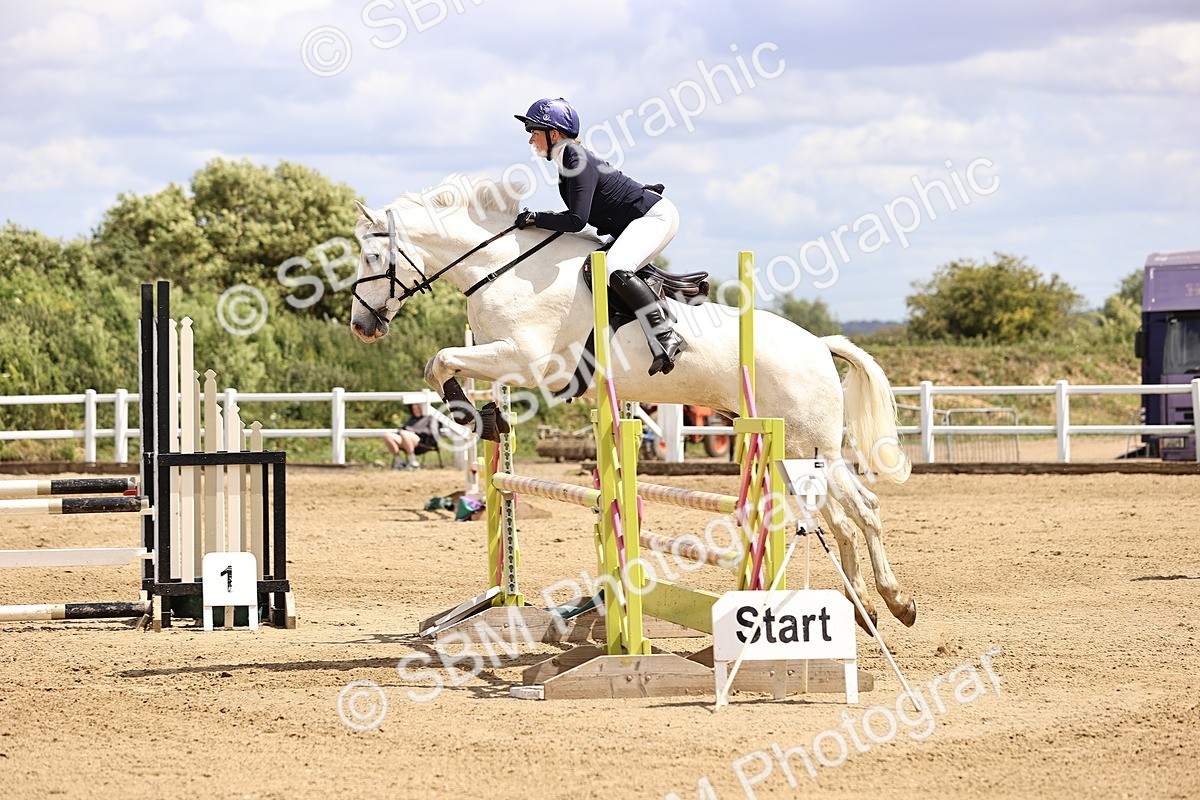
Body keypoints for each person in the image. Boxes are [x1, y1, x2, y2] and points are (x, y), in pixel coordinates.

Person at [513, 97, 687, 375]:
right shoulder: (567, 160)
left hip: (654, 218)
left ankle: (665, 334)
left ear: (553, 134)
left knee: (613, 267)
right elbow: (578, 215)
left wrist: (538, 218)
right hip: (636, 221)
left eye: (534, 132)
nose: (531, 140)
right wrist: (539, 218)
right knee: (594, 268)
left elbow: (576, 221)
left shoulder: (576, 159)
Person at [383, 405, 439, 470]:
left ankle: (413, 462)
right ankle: (400, 462)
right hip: (406, 439)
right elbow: (402, 429)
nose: (416, 410)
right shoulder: (412, 419)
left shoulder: (430, 418)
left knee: (404, 434)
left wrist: (414, 432)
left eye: (417, 408)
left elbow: (431, 432)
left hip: (422, 441)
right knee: (388, 435)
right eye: (414, 409)